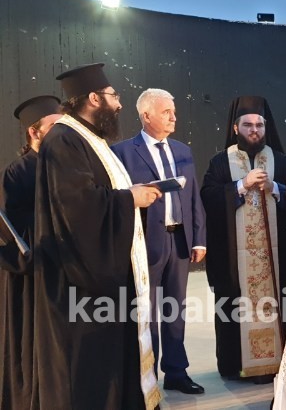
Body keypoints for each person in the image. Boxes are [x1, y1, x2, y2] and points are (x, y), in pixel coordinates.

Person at [33, 63, 162, 409]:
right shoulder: (64, 140)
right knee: (92, 375)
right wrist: (129, 199)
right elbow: (78, 208)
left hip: (104, 280)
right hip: (82, 285)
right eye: (113, 96)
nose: (119, 104)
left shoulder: (90, 139)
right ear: (94, 98)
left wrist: (130, 196)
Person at [110, 88, 207, 395]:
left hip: (179, 240)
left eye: (173, 112)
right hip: (144, 243)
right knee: (147, 313)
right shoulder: (123, 152)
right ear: (146, 115)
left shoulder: (182, 150)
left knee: (175, 310)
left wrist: (199, 239)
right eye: (166, 112)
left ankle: (176, 372)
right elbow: (118, 199)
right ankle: (147, 377)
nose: (173, 117)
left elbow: (193, 197)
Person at [200, 95, 286, 383]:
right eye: (248, 125)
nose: (254, 130)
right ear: (236, 128)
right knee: (234, 307)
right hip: (234, 259)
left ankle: (277, 363)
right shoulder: (220, 162)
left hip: (277, 260)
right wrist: (241, 185)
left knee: (280, 304)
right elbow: (208, 198)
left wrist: (274, 187)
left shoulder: (282, 161)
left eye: (259, 125)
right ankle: (236, 364)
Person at [0, 95, 61, 410]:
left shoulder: (66, 167)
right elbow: (11, 227)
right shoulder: (18, 171)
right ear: (33, 132)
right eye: (53, 126)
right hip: (32, 270)